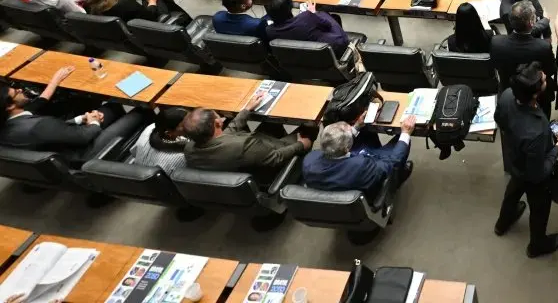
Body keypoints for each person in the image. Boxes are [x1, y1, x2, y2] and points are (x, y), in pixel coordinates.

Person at [494, 62, 558, 258]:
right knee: (539, 208)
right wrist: (557, 148)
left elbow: (499, 119)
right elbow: (539, 172)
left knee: (513, 191)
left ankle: (503, 222)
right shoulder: (535, 132)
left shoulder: (507, 95)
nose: (544, 76)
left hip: (515, 161)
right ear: (535, 94)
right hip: (533, 172)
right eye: (542, 79)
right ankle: (537, 244)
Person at [0, 68, 143, 162]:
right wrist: (93, 122)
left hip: (60, 150)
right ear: (10, 106)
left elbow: (52, 129)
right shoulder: (39, 125)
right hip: (82, 154)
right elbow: (82, 137)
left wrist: (81, 119)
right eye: (16, 93)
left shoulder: (9, 123)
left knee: (112, 107)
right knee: (141, 111)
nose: (19, 89)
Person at [182, 92, 312, 173]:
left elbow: (227, 133)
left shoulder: (189, 149)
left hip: (246, 160)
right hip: (271, 164)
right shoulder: (245, 146)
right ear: (218, 123)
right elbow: (275, 158)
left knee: (269, 123)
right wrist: (299, 145)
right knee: (310, 126)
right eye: (219, 117)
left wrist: (247, 110)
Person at [302, 117, 415, 195]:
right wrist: (405, 133)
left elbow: (334, 144)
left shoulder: (309, 161)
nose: (351, 129)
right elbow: (392, 162)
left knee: (364, 132)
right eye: (349, 130)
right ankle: (397, 179)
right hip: (367, 176)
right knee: (401, 142)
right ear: (347, 148)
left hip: (341, 181)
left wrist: (356, 127)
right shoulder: (361, 167)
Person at [264, 0, 352, 51]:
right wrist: (314, 13)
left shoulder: (269, 31)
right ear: (289, 8)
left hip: (304, 59)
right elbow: (327, 25)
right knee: (327, 14)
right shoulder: (306, 16)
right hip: (333, 48)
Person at [128, 107, 190, 174]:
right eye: (185, 125)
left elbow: (134, 153)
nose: (191, 125)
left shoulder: (149, 129)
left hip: (135, 173)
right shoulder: (182, 156)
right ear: (169, 133)